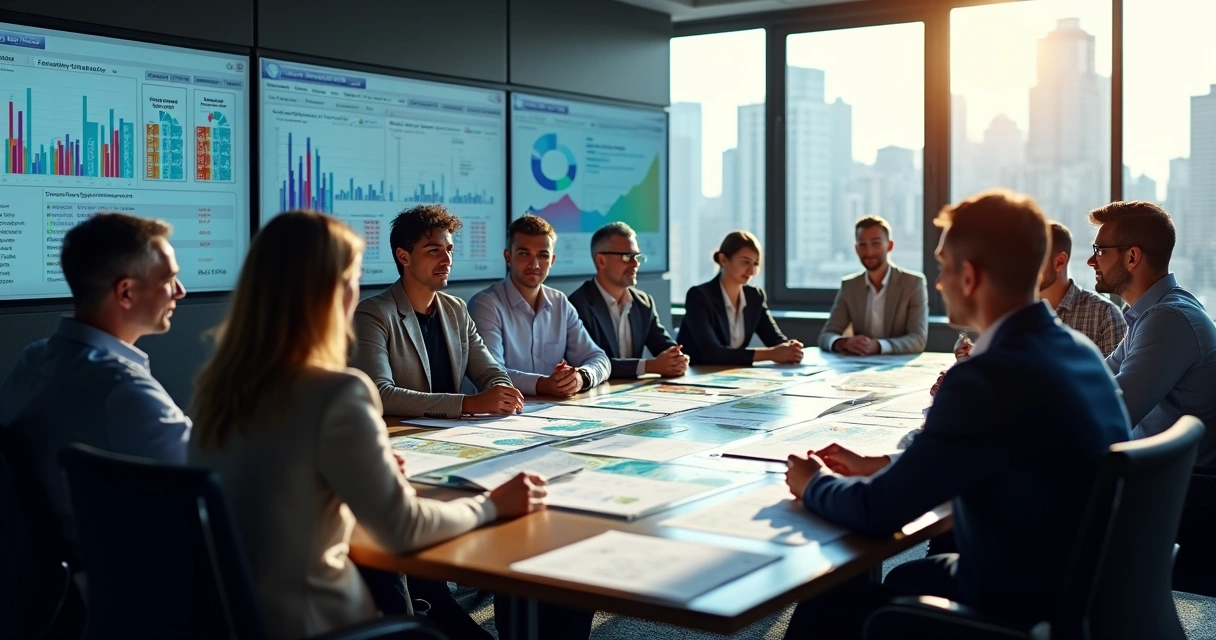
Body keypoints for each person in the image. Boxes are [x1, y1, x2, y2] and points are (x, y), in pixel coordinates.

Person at [782, 189, 1130, 639]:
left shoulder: (986, 377)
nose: (939, 283)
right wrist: (886, 464)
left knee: (824, 601)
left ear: (969, 276)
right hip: (1077, 593)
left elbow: (877, 512)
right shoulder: (1077, 351)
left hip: (1013, 614)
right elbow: (990, 452)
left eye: (943, 267)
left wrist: (813, 483)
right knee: (906, 577)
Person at [188, 211, 546, 639]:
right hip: (326, 624)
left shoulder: (214, 389)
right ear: (332, 290)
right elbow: (404, 529)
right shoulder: (338, 392)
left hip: (235, 621)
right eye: (352, 279)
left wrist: (360, 475)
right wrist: (493, 505)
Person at [0, 213, 190, 555]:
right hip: (133, 570)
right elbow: (213, 478)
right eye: (169, 279)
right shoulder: (122, 390)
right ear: (126, 292)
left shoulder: (33, 362)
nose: (180, 291)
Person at [352, 204, 522, 418]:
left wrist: (503, 392)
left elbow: (490, 372)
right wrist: (468, 404)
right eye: (434, 251)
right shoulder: (373, 313)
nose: (447, 260)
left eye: (449, 250)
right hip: (402, 434)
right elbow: (379, 394)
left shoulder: (456, 309)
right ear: (404, 257)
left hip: (455, 433)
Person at [1087, 200, 1216, 465]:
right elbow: (1100, 379)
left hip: (1182, 485)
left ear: (1132, 257)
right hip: (1154, 474)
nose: (1091, 261)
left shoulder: (1168, 319)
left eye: (1099, 251)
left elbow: (1112, 415)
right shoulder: (1152, 313)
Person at [469, 215, 610, 398]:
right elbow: (491, 374)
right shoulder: (485, 305)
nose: (534, 264)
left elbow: (599, 358)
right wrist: (544, 384)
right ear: (508, 257)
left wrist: (582, 377)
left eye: (543, 255)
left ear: (552, 260)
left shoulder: (560, 303)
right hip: (500, 411)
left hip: (554, 409)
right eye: (524, 254)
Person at [567, 222, 688, 379]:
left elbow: (664, 346)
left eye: (637, 257)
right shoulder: (577, 305)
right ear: (601, 261)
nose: (635, 263)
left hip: (633, 390)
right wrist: (649, 366)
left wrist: (677, 359)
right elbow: (590, 364)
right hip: (596, 391)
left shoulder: (643, 302)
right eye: (627, 257)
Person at [677, 231, 804, 366]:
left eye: (755, 263)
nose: (752, 271)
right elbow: (712, 353)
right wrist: (771, 354)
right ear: (723, 260)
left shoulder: (754, 296)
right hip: (696, 373)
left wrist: (790, 349)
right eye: (745, 262)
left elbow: (774, 339)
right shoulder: (699, 296)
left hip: (733, 373)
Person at [818, 216, 929, 355]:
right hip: (860, 364)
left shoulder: (912, 283)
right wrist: (844, 343)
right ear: (856, 249)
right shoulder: (849, 286)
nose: (869, 252)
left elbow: (918, 339)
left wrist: (878, 346)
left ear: (890, 246)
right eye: (862, 245)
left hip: (899, 364)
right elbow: (826, 336)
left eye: (876, 243)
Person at [1039, 221, 1126, 356]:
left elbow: (1116, 370)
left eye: (1035, 259)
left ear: (1059, 262)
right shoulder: (1015, 311)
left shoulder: (1104, 315)